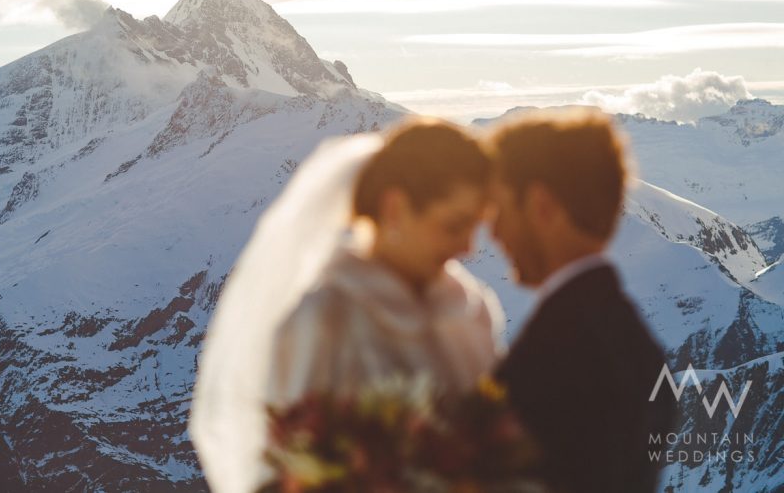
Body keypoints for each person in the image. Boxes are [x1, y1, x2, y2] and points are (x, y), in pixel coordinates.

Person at [189, 117, 505, 493]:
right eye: (454, 226)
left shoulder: (474, 311)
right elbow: (288, 466)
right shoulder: (324, 317)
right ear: (395, 207)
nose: (469, 248)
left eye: (476, 227)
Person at [487, 108, 676, 493]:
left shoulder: (561, 354)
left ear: (541, 205)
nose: (493, 231)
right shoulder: (634, 342)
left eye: (500, 209)